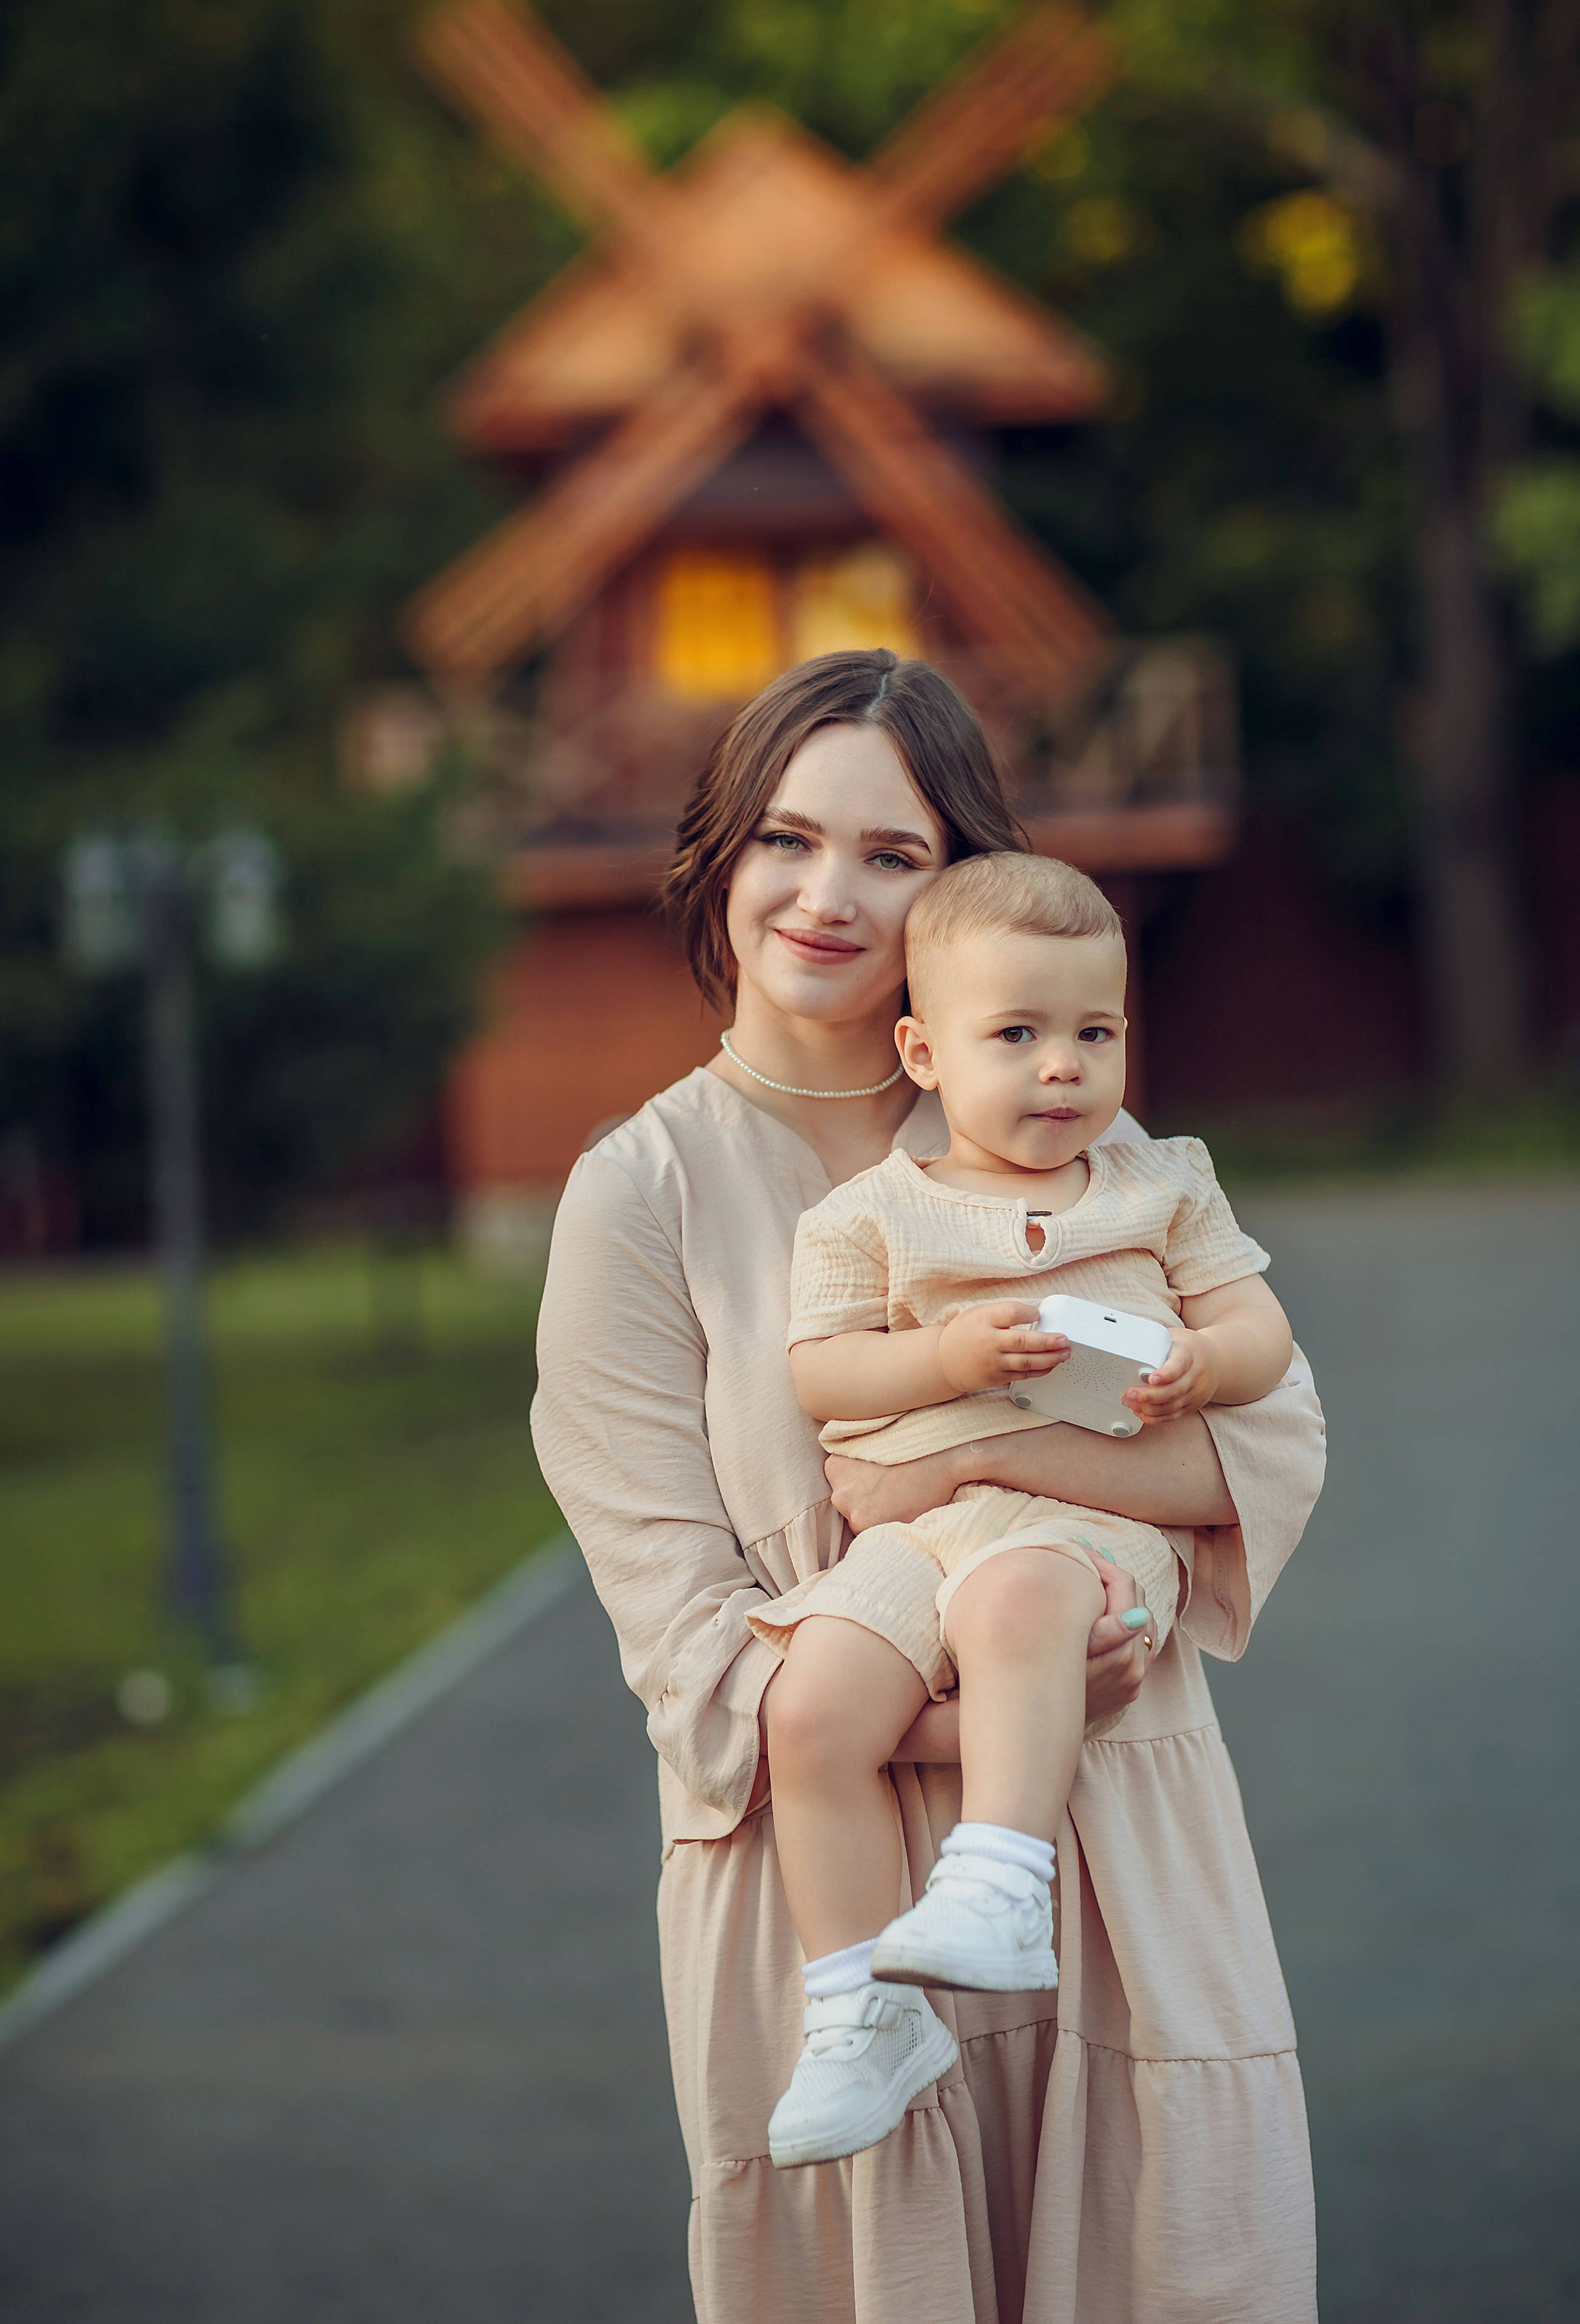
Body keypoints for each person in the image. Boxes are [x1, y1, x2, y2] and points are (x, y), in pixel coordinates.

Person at [531, 649, 1324, 2323]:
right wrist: (984, 1718)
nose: (827, 894)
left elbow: (1255, 1449)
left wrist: (978, 1465)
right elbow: (688, 1646)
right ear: (719, 855)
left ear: (959, 889)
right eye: (785, 839)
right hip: (831, 1899)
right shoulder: (638, 1198)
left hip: (1114, 1835)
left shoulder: (1059, 1128)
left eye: (893, 856)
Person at [748, 850, 1294, 2168]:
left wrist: (1203, 1364)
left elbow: (1258, 1329)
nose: (1063, 1067)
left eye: (1093, 1033)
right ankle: (856, 2018)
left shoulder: (1161, 1183)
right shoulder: (865, 1218)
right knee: (806, 1708)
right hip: (914, 1534)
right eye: (1018, 1035)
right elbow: (820, 1373)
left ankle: (1000, 1878)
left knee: (1015, 1601)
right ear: (922, 1052)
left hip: (1089, 1534)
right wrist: (942, 1361)